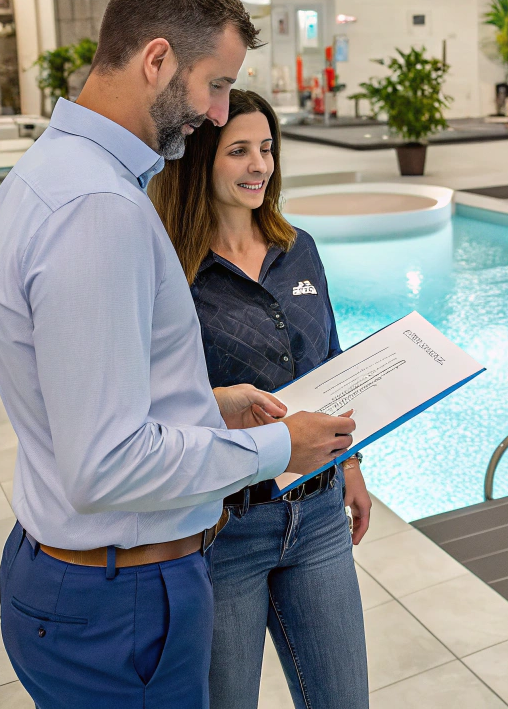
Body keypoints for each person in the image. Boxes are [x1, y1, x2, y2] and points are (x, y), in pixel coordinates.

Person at [0, 0, 356, 709]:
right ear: (157, 60)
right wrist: (282, 447)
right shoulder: (99, 209)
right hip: (122, 594)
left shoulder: (50, 178)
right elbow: (108, 463)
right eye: (215, 86)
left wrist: (207, 403)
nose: (219, 115)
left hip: (82, 575)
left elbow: (81, 401)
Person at [150, 88, 370, 709]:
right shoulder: (171, 268)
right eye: (238, 151)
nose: (259, 166)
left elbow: (329, 358)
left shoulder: (297, 247)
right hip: (224, 525)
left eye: (267, 150)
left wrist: (350, 464)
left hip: (319, 515)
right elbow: (155, 398)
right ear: (198, 161)